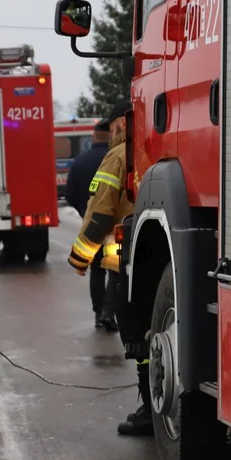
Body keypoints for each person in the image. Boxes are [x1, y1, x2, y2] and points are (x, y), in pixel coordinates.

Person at [67, 101, 152, 436]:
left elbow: (101, 212)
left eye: (113, 125)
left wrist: (79, 256)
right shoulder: (152, 148)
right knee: (151, 333)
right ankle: (153, 403)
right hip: (153, 260)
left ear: (121, 123)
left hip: (125, 262)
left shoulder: (119, 156)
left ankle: (149, 407)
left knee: (136, 338)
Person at [65, 119, 117, 331]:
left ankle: (98, 313)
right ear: (111, 135)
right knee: (114, 269)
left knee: (97, 270)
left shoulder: (80, 161)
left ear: (93, 136)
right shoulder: (117, 158)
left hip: (92, 226)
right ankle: (108, 311)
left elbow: (69, 195)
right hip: (115, 227)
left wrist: (84, 212)